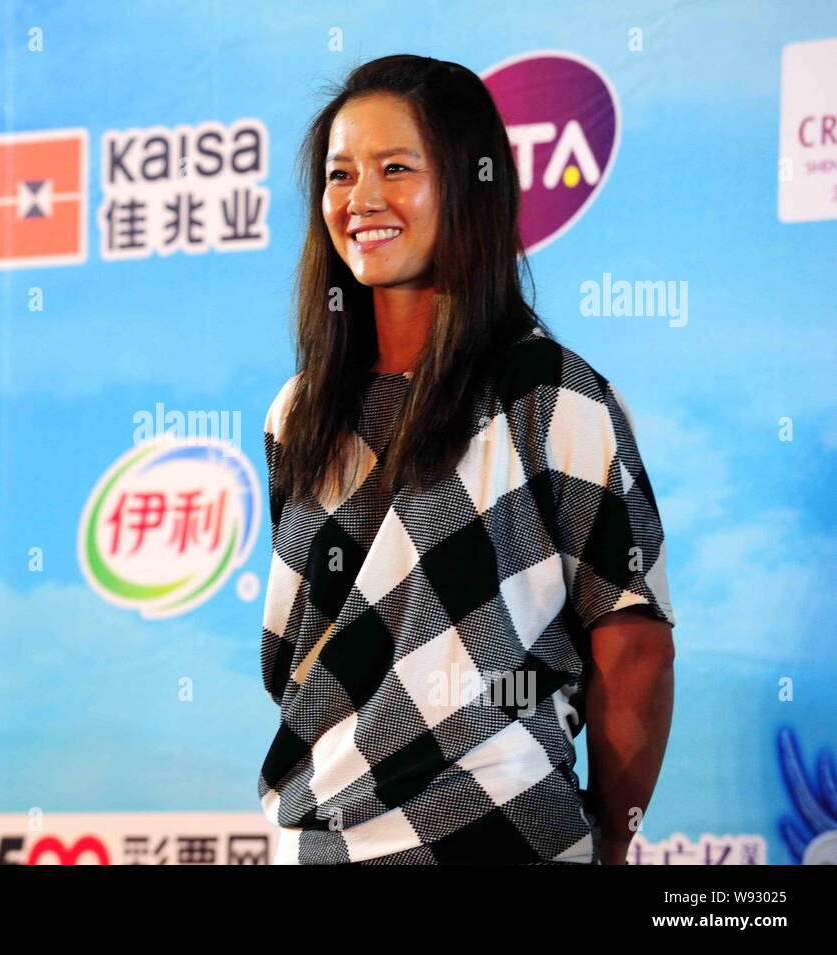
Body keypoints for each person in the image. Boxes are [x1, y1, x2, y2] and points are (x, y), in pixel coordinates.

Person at [258, 55, 676, 865]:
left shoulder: (550, 393)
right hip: (321, 841)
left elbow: (636, 650)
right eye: (341, 173)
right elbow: (310, 658)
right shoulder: (299, 413)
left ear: (468, 185)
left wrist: (612, 845)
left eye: (397, 168)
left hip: (502, 834)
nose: (362, 198)